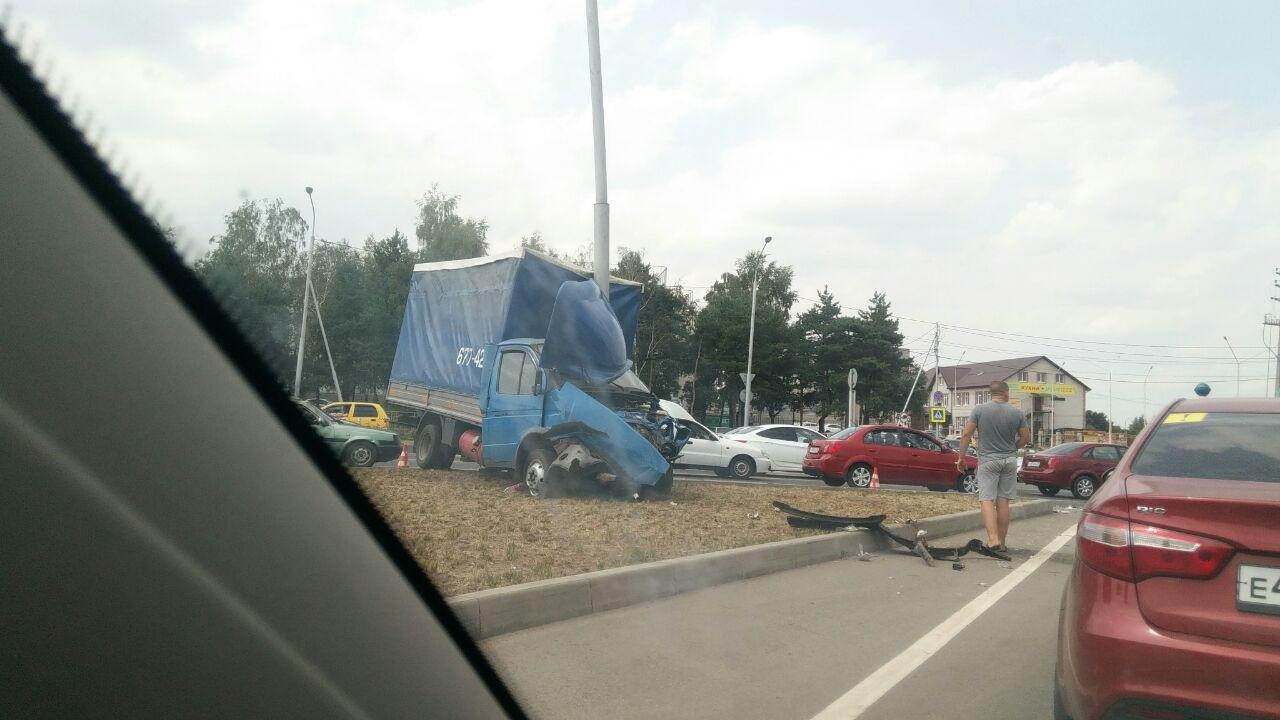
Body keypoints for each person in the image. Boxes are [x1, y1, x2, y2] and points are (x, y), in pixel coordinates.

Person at [956, 380, 1030, 551]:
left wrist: (961, 458)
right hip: (1010, 461)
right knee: (1003, 501)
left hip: (988, 460)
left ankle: (993, 539)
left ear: (992, 393)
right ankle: (1002, 543)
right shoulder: (1017, 413)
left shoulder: (980, 410)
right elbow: (1026, 438)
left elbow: (967, 433)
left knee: (987, 499)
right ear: (1006, 393)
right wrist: (1013, 447)